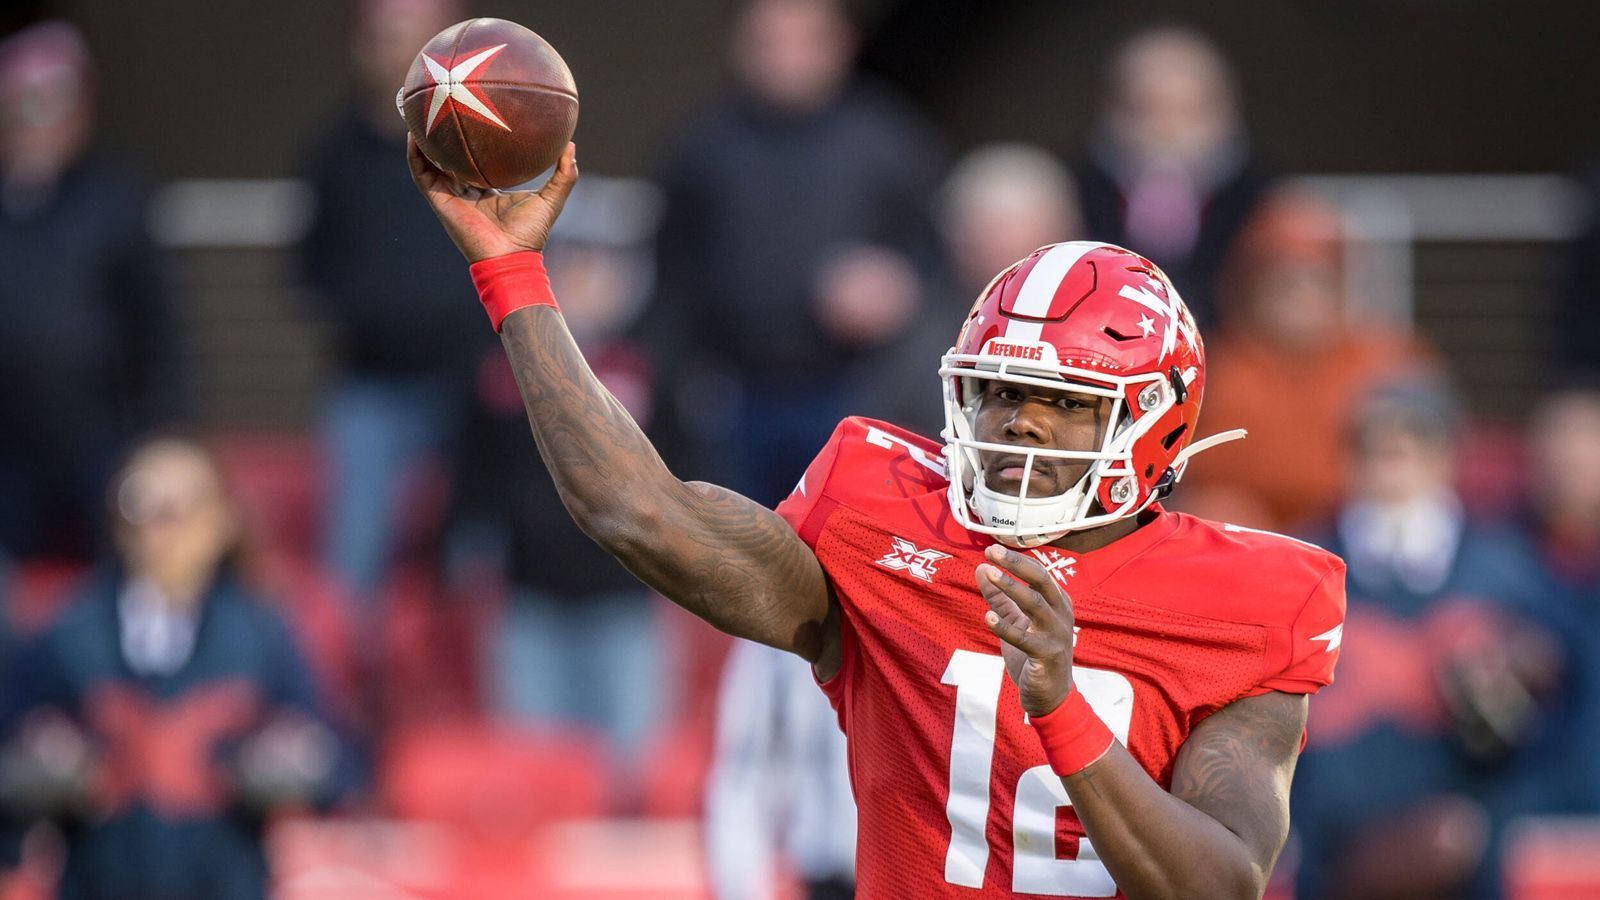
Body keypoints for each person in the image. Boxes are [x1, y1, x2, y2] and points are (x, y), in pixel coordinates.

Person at [408, 133, 1347, 897]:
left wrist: (1059, 706)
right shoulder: (886, 516)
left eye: (1064, 402)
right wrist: (513, 272)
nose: (1018, 423)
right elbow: (637, 514)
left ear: (1154, 422)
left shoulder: (1253, 600)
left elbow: (1218, 886)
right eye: (996, 393)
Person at [0, 438, 353, 900]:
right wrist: (41, 770)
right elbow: (12, 746)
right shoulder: (70, 630)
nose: (155, 530)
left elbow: (336, 758)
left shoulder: (261, 633)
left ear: (220, 522)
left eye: (175, 511)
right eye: (139, 509)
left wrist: (289, 764)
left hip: (223, 878)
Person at [651, 0, 943, 505]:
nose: (788, 59)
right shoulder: (701, 147)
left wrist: (894, 288)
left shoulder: (888, 140)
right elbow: (669, 271)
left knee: (842, 542)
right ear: (740, 49)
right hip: (733, 392)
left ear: (840, 46)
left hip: (855, 387)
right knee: (732, 551)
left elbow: (935, 259)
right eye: (770, 43)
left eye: (806, 41)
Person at [1290, 383, 1560, 900]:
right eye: (1374, 452)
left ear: (1445, 459)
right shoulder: (1303, 562)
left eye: (1408, 450)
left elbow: (1550, 687)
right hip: (1334, 827)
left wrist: (1516, 679)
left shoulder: (1504, 568)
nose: (1391, 470)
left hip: (1466, 816)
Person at [446, 177, 670, 782]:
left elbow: (690, 479)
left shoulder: (655, 369)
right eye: (570, 260)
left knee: (632, 779)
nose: (587, 277)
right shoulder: (502, 365)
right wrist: (468, 545)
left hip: (626, 599)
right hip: (529, 600)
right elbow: (473, 474)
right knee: (533, 772)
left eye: (603, 262)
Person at [298, 0, 486, 602]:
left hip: (473, 380)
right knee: (353, 558)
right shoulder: (333, 152)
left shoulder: (483, 139)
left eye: (416, 37)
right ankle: (344, 689)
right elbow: (309, 266)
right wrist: (372, 309)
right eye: (384, 37)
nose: (400, 52)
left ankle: (476, 693)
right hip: (371, 384)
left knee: (479, 555)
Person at [0, 20, 185, 561]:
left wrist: (165, 434)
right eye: (28, 104)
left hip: (103, 440)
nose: (43, 121)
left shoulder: (116, 194)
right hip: (9, 444)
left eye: (57, 102)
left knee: (127, 571)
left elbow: (159, 327)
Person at [1179, 191, 1435, 532]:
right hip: (1248, 542)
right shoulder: (1212, 364)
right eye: (1284, 282)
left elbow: (1431, 457)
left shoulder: (1387, 358)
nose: (1302, 297)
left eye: (1317, 280)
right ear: (1252, 287)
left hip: (1353, 539)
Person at [1073, 26, 1268, 328]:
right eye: (1147, 109)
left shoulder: (1266, 207)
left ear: (1226, 114)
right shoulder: (1070, 198)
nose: (1168, 130)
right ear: (1112, 113)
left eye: (1189, 111)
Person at [705, 640, 857, 900]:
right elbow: (744, 776)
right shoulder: (773, 647)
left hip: (916, 869)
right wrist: (740, 888)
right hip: (828, 874)